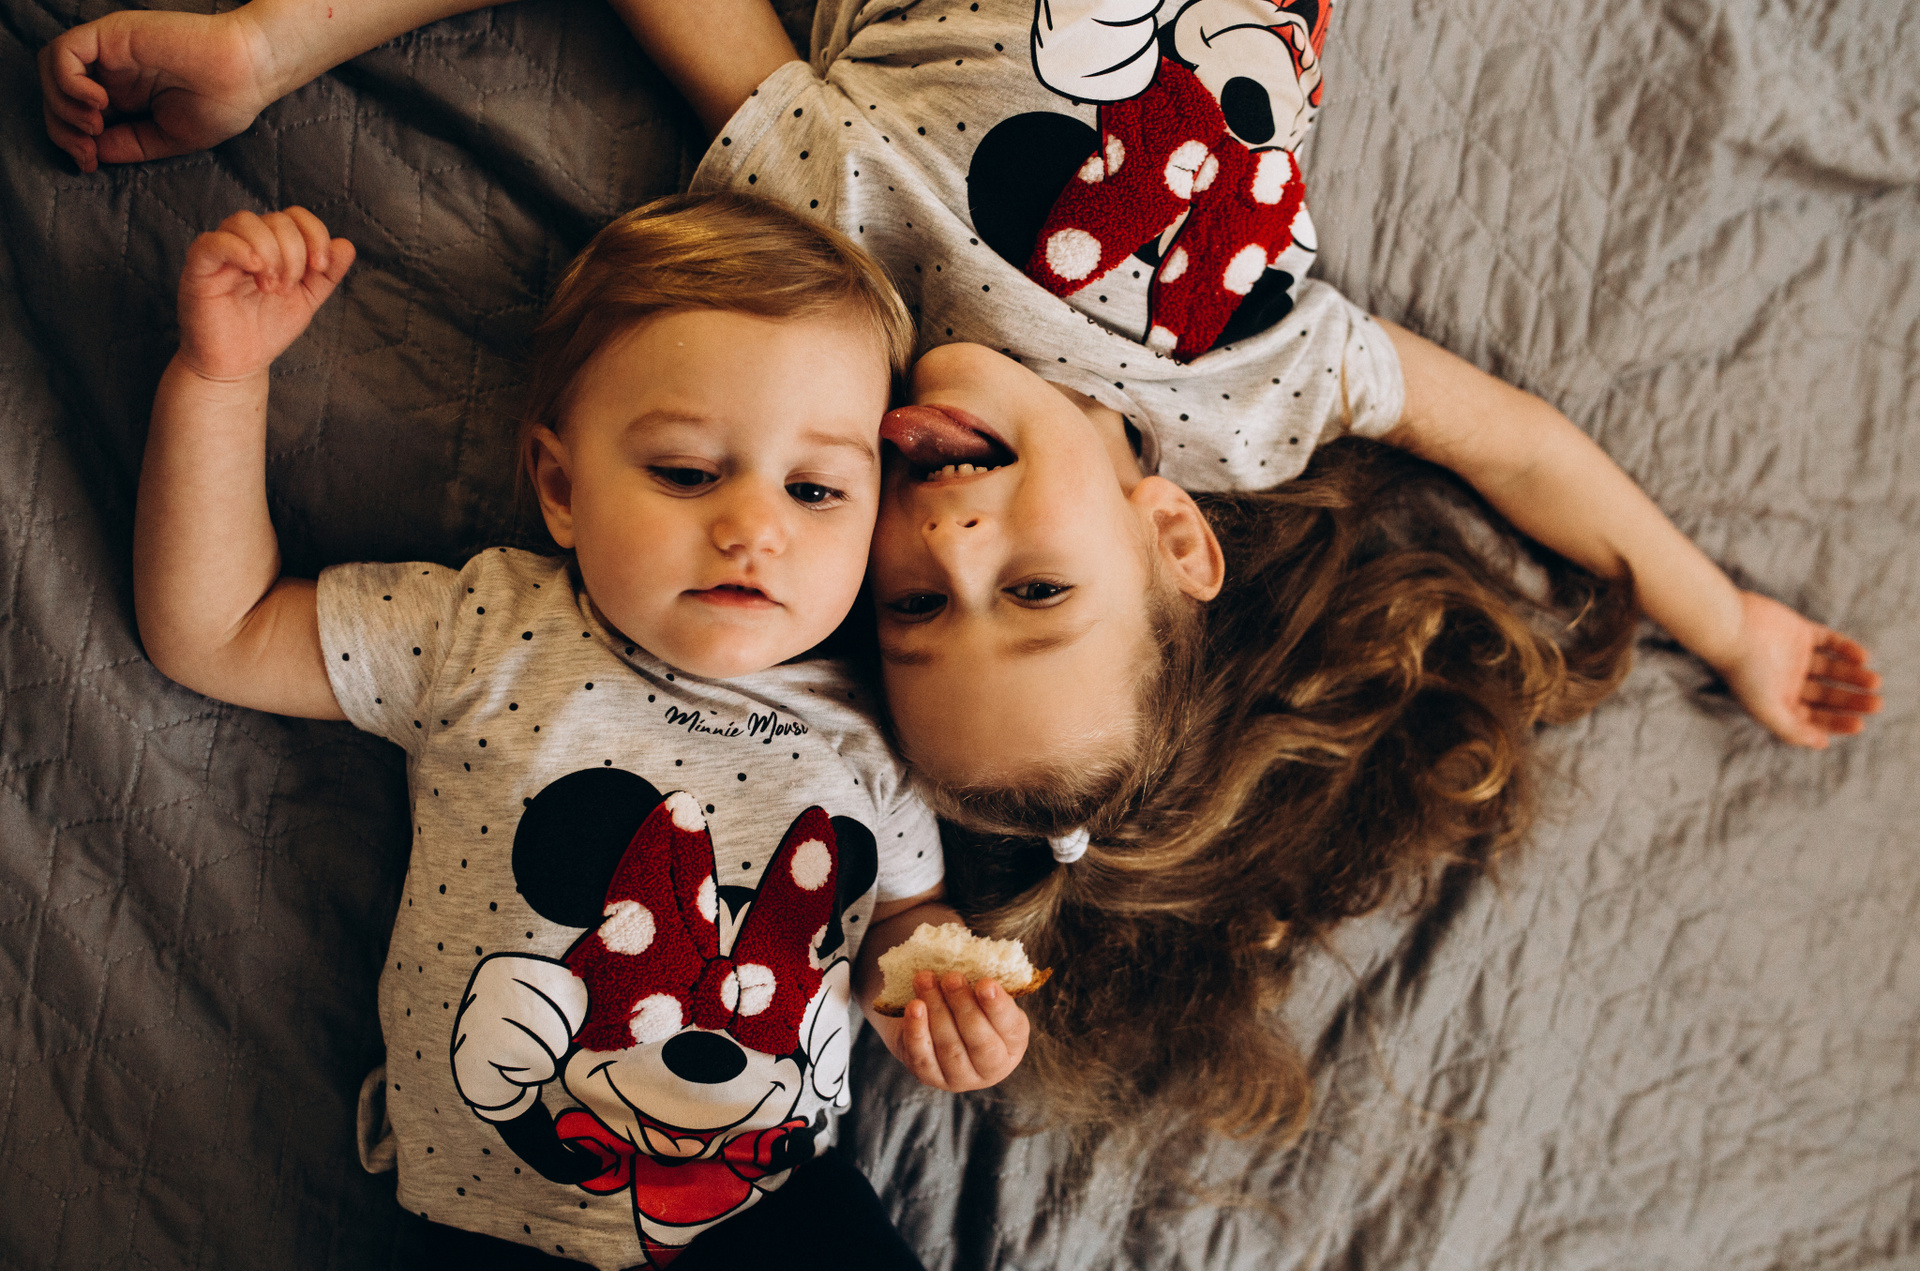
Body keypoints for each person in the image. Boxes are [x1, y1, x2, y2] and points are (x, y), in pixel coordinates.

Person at [47, 0, 1882, 1137]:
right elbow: (1516, 450)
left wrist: (270, 46)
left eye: (912, 608)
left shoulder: (831, 260)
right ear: (1174, 535)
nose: (946, 538)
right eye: (1037, 592)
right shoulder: (1257, 400)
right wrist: (1723, 619)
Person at [129, 190, 1032, 1271]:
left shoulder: (879, 731)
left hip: (777, 1218)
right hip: (490, 1224)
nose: (754, 527)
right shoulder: (485, 633)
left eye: (815, 488)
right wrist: (219, 382)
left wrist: (935, 1000)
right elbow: (215, 631)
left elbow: (905, 915)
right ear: (561, 486)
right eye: (687, 472)